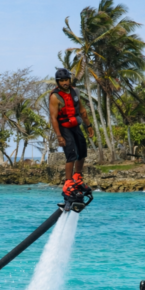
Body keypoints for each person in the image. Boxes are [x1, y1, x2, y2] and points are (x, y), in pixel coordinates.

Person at [49, 68, 95, 196]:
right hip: (64, 127)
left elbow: (82, 110)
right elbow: (53, 118)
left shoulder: (75, 92)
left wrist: (89, 126)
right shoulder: (55, 96)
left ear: (69, 80)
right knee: (71, 154)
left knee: (82, 151)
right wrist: (59, 136)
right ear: (58, 82)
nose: (64, 82)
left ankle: (77, 178)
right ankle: (68, 184)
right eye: (62, 80)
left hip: (75, 125)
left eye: (66, 80)